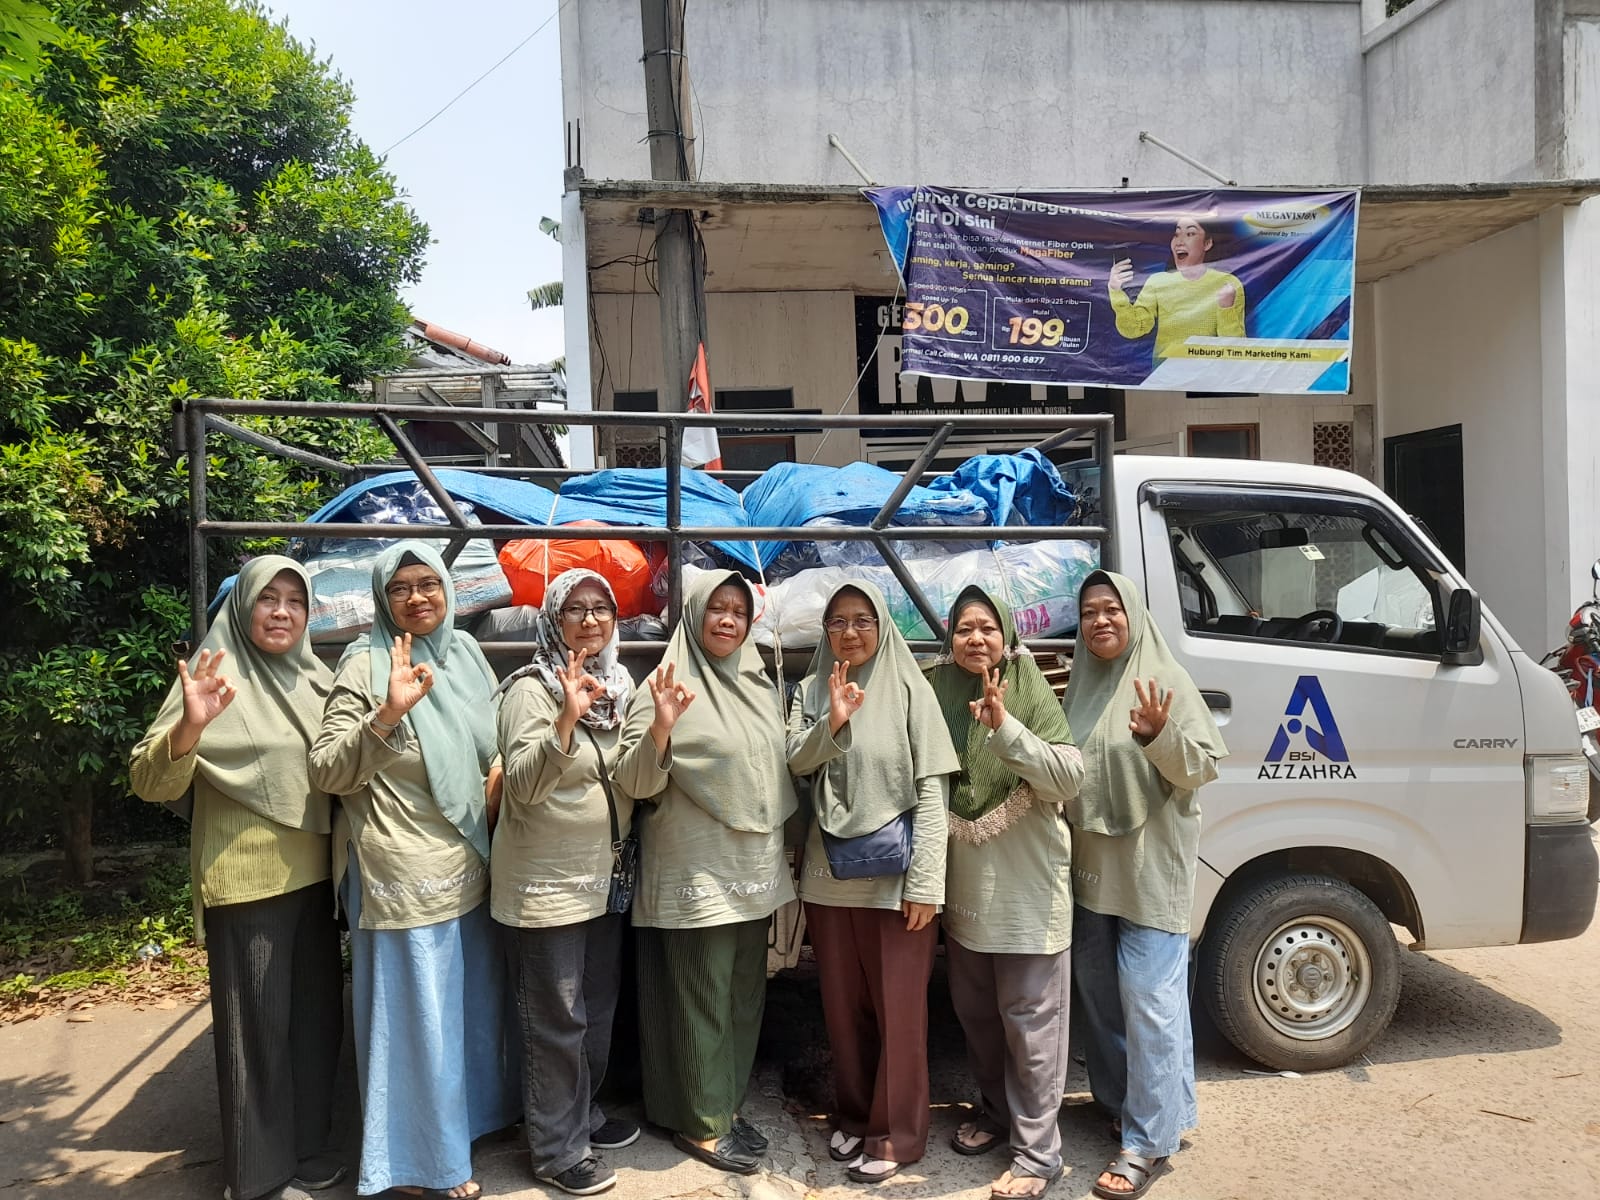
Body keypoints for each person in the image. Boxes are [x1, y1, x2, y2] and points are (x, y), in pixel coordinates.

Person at [309, 544, 518, 1200]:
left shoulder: (466, 653)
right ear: (382, 598)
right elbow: (326, 769)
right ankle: (418, 1164)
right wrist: (387, 715)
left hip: (470, 856)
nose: (418, 597)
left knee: (469, 1012)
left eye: (429, 583)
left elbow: (494, 743)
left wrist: (500, 774)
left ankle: (465, 1127)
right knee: (417, 1023)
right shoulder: (365, 663)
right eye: (400, 588)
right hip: (402, 866)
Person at [130, 556, 343, 1200]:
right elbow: (147, 779)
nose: (281, 612)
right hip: (247, 880)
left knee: (313, 1025)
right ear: (244, 605)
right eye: (268, 598)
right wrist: (192, 724)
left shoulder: (317, 678)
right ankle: (257, 1177)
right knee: (256, 1032)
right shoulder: (212, 672)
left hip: (316, 878)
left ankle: (304, 1150)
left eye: (295, 601)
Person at [612, 570, 797, 1176]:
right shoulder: (664, 684)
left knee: (743, 995)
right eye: (717, 608)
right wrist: (662, 727)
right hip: (694, 872)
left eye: (739, 612)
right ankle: (701, 1123)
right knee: (699, 996)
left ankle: (723, 1106)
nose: (728, 620)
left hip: (752, 869)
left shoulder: (757, 683)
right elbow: (632, 781)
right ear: (693, 615)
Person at [1062, 571, 1228, 1200]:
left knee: (1152, 1003)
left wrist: (1160, 736)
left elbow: (1201, 768)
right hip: (1091, 871)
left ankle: (1147, 1142)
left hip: (1150, 871)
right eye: (1089, 612)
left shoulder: (1164, 679)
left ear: (1133, 615)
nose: (1100, 621)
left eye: (1112, 609)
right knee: (1102, 1000)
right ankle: (1127, 1105)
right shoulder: (1081, 685)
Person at [788, 581, 958, 1185]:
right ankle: (856, 1116)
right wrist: (832, 721)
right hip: (828, 877)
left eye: (862, 620)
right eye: (837, 621)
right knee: (842, 1009)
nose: (850, 632)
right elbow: (795, 761)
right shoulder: (811, 689)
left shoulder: (911, 687)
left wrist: (926, 883)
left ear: (882, 626)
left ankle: (897, 1134)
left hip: (896, 881)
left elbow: (933, 791)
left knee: (899, 1013)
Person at [927, 585, 1084, 1199]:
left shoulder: (1029, 690)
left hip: (1028, 893)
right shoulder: (938, 690)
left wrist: (1005, 728)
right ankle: (996, 1114)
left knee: (1032, 1028)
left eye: (988, 627)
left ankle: (1039, 1156)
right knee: (978, 1019)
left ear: (1008, 635)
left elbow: (1067, 779)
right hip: (966, 894)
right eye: (964, 628)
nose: (976, 639)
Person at [492, 568, 640, 1196]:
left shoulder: (620, 686)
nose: (589, 619)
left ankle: (582, 1115)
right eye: (574, 609)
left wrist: (659, 730)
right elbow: (523, 786)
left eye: (601, 608)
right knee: (556, 1019)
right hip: (545, 886)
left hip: (604, 879)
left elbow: (631, 777)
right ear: (554, 620)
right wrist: (563, 721)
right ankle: (556, 1149)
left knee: (596, 1014)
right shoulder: (530, 690)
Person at [1109, 216, 1245, 362]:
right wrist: (1115, 290)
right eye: (1176, 234)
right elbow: (1134, 329)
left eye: (1190, 234)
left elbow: (1235, 349)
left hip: (1207, 373)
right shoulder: (1158, 282)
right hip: (1165, 372)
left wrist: (1226, 309)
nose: (1179, 242)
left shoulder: (1228, 284)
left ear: (1207, 243)